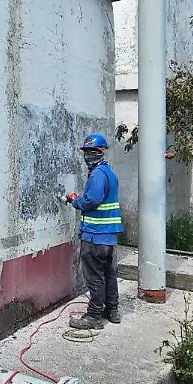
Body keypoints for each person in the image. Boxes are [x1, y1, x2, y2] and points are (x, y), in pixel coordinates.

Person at [61, 133, 123, 329]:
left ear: (101, 152)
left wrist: (74, 200)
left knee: (95, 276)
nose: (89, 155)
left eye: (92, 152)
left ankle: (94, 317)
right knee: (109, 274)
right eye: (86, 152)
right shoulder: (109, 174)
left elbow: (91, 201)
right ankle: (112, 311)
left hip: (95, 235)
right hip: (109, 237)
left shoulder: (97, 175)